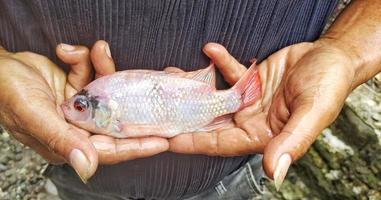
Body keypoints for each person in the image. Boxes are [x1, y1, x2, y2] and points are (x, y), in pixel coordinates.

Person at [0, 0, 380, 199]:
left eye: (82, 107)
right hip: (74, 169)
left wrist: (346, 49)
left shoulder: (107, 105)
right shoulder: (98, 106)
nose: (76, 110)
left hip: (231, 169)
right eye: (81, 107)